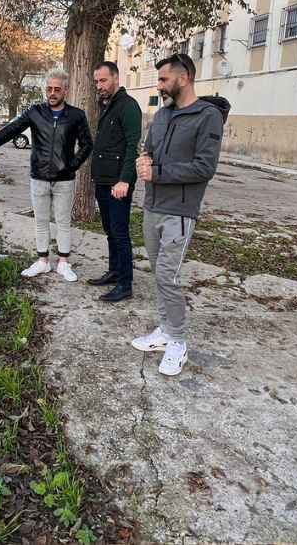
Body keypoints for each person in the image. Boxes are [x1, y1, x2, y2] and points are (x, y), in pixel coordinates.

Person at [132, 54, 229, 376]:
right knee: (157, 273)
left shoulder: (207, 117)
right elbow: (148, 149)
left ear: (183, 78)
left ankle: (178, 341)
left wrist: (157, 172)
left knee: (168, 277)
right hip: (152, 206)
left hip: (180, 212)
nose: (159, 85)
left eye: (163, 79)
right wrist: (143, 160)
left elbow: (205, 167)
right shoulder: (162, 115)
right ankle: (165, 329)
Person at [0, 68, 93, 281]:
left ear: (65, 90)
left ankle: (63, 263)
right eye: (49, 89)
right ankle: (43, 262)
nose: (52, 93)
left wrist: (72, 166)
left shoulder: (76, 115)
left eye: (57, 89)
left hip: (64, 180)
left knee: (63, 222)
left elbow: (87, 144)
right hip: (39, 177)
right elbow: (13, 128)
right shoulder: (35, 112)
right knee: (41, 221)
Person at [87, 60, 142, 303]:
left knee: (120, 233)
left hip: (118, 184)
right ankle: (114, 271)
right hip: (103, 180)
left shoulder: (128, 106)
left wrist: (124, 180)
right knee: (109, 230)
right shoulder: (107, 105)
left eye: (103, 80)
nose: (99, 85)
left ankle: (125, 284)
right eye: (96, 81)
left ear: (116, 79)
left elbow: (132, 146)